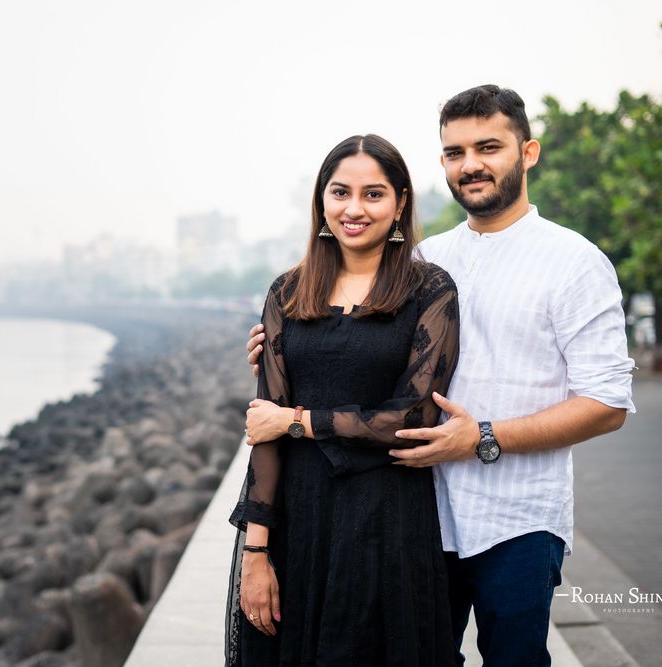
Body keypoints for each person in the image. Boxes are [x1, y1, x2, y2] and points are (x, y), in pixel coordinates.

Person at [245, 85, 636, 666]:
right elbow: (352, 341)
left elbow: (607, 403)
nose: (470, 164)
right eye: (455, 152)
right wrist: (284, 344)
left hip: (516, 517)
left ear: (527, 153)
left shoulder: (574, 261)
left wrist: (483, 436)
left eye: (488, 147)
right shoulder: (427, 260)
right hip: (418, 513)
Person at [226, 134, 459, 666]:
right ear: (321, 202)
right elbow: (265, 426)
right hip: (298, 521)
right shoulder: (287, 291)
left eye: (373, 194)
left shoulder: (429, 290)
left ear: (400, 202)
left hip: (389, 519)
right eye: (340, 193)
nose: (354, 209)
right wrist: (256, 552)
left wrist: (299, 422)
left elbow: (416, 414)